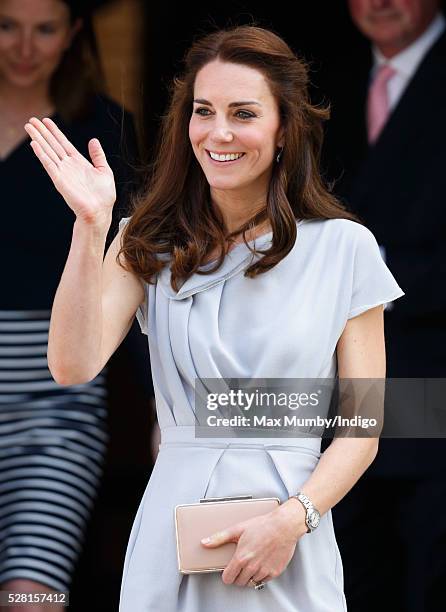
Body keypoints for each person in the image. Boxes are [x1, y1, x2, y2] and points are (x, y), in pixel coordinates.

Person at [25, 24, 404, 612]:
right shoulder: (146, 243)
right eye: (204, 111)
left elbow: (362, 429)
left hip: (289, 534)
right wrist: (91, 225)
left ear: (283, 130)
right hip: (172, 530)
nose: (219, 133)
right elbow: (73, 365)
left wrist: (291, 522)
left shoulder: (344, 249)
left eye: (244, 113)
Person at [0, 0, 138, 608]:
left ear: (74, 32)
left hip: (54, 405)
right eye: (7, 25)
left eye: (45, 28)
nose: (25, 47)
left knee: (31, 594)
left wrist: (165, 402)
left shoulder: (102, 127)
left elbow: (131, 270)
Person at [320, 1, 446, 610]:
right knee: (352, 576)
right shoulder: (326, 78)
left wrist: (359, 279)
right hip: (336, 390)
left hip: (435, 381)